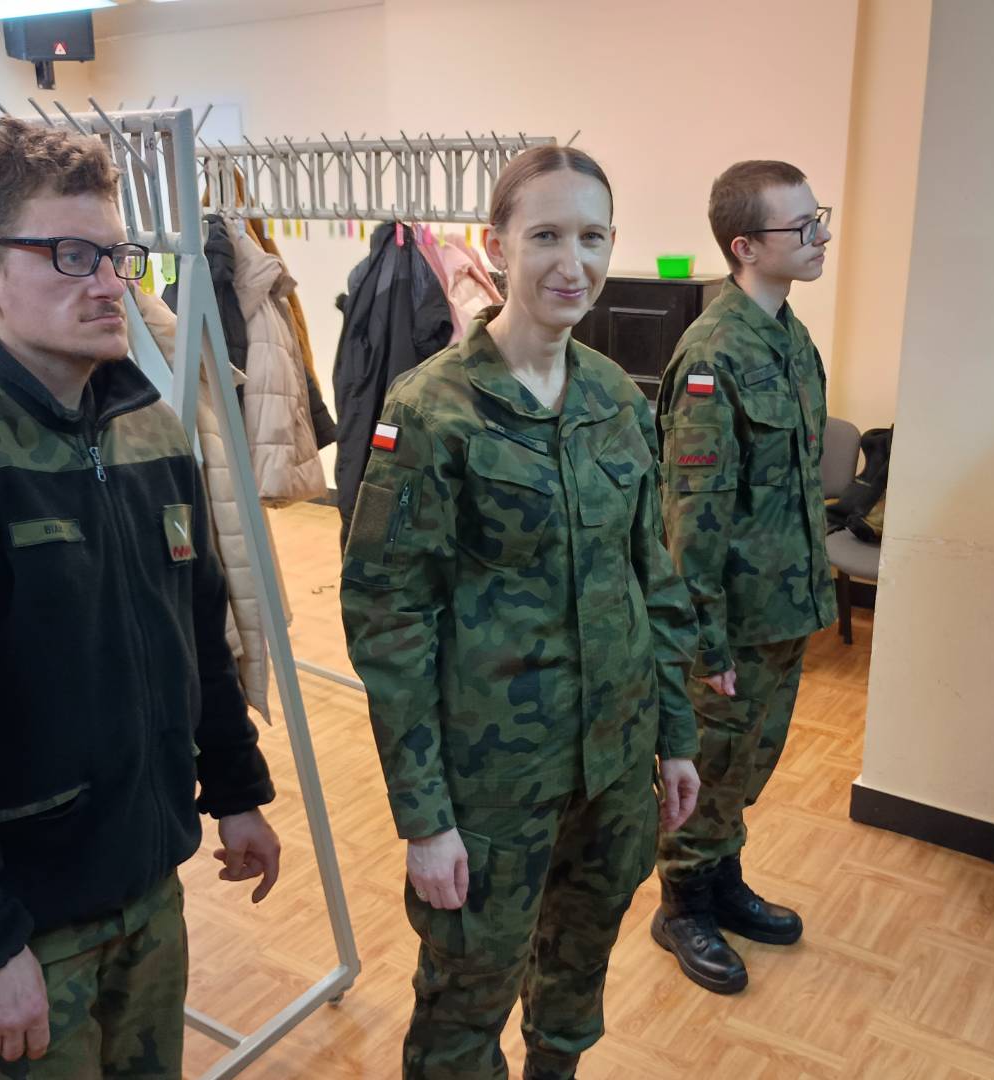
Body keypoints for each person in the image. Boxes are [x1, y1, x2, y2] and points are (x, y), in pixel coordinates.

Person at [0, 118, 282, 1078]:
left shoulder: (151, 432)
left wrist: (237, 790)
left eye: (116, 254)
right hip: (22, 925)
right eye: (72, 256)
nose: (111, 283)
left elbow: (195, 634)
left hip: (151, 890)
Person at [340, 145, 701, 1080]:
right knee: (465, 1007)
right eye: (545, 236)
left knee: (576, 978)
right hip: (492, 784)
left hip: (613, 766)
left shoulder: (618, 399)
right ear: (495, 246)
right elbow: (388, 617)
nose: (571, 264)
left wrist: (677, 736)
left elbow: (653, 579)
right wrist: (425, 817)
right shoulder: (432, 410)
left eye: (592, 238)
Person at [650, 160, 836, 994]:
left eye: (820, 219)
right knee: (713, 763)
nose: (820, 237)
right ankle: (682, 904)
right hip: (731, 623)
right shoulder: (712, 353)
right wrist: (705, 644)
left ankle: (721, 880)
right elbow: (691, 521)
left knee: (747, 764)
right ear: (744, 246)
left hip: (783, 608)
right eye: (802, 226)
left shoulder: (790, 337)